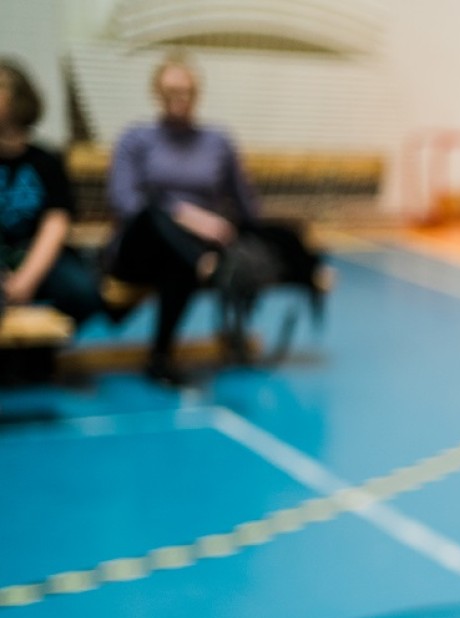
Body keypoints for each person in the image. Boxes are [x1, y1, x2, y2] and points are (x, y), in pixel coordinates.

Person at [103, 52, 324, 384]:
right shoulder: (135, 138)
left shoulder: (217, 141)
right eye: (171, 91)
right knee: (153, 214)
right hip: (141, 245)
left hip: (190, 250)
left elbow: (247, 207)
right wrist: (185, 214)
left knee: (180, 260)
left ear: (197, 93)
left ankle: (159, 358)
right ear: (157, 93)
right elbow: (125, 202)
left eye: (186, 91)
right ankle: (204, 265)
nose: (179, 98)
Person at [0, 58, 101, 326]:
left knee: (83, 293)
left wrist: (26, 279)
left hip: (38, 254)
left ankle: (44, 345)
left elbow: (56, 221)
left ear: (17, 100)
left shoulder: (45, 161)